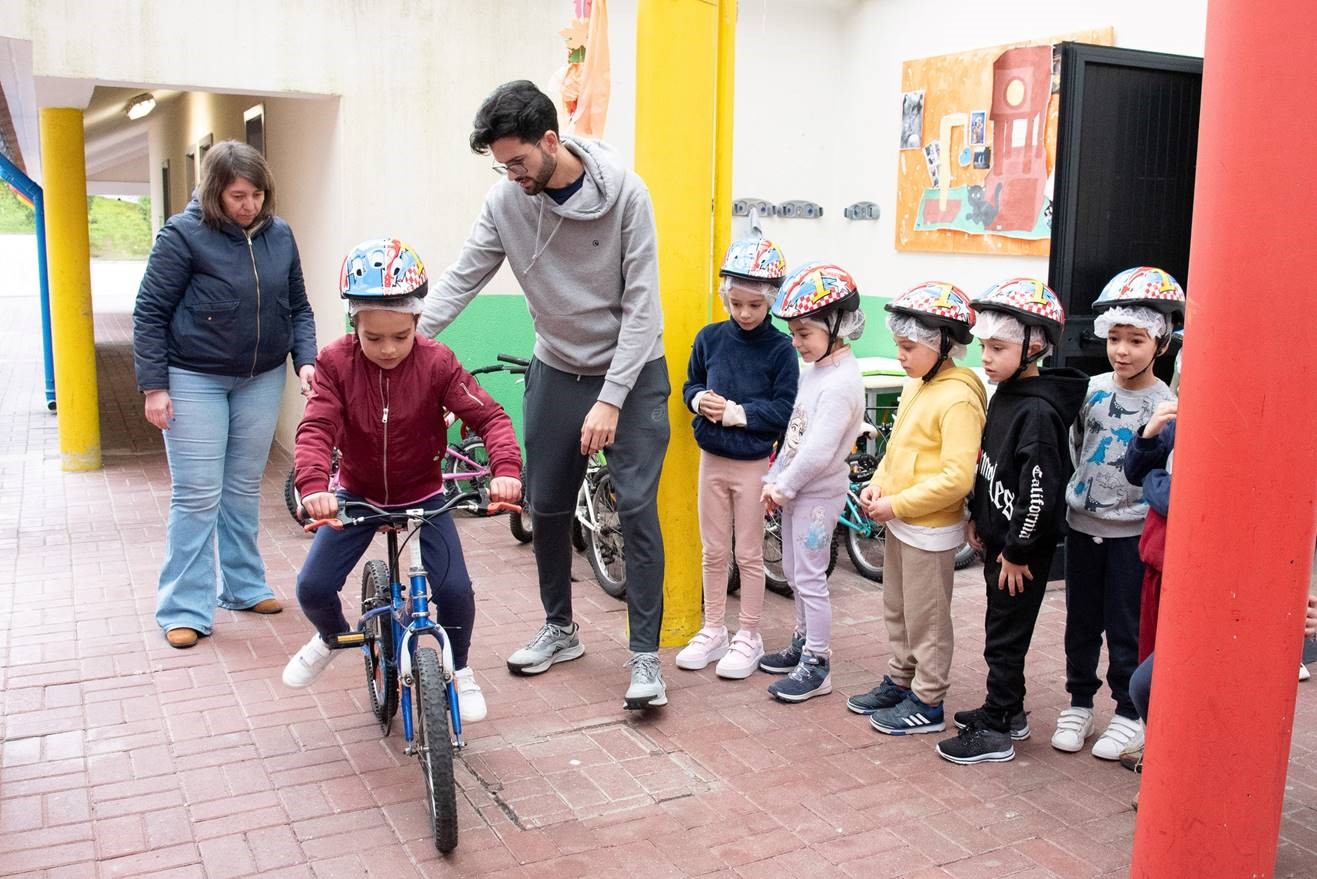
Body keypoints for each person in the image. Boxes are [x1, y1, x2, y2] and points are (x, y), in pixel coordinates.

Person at [416, 80, 670, 709]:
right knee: (547, 505)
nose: (511, 175)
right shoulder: (507, 201)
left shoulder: (626, 196)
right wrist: (402, 341)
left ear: (550, 140)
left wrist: (611, 398)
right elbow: (464, 276)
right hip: (556, 366)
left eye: (518, 161)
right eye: (501, 165)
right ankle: (561, 629)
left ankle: (644, 660)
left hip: (632, 372)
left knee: (635, 507)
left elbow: (643, 308)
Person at [282, 239, 521, 723]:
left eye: (400, 336)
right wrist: (313, 488)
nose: (387, 349)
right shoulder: (333, 363)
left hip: (424, 495)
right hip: (356, 494)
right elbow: (317, 427)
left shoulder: (437, 362)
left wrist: (506, 473)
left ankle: (462, 667)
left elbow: (491, 418)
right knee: (312, 586)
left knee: (454, 591)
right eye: (373, 338)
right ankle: (332, 638)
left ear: (417, 323)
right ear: (354, 324)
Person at [133, 140, 317, 649]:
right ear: (215, 191)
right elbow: (149, 313)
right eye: (238, 195)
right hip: (194, 377)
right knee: (197, 494)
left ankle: (242, 586)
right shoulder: (183, 236)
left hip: (260, 377)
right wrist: (154, 387)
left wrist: (306, 360)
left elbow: (298, 305)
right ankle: (183, 606)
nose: (249, 205)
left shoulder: (279, 235)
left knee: (241, 488)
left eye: (257, 194)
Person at [934, 278, 1088, 764]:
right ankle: (1009, 710)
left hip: (1020, 553)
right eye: (984, 346)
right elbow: (992, 464)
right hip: (1000, 541)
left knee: (1005, 637)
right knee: (998, 629)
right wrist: (978, 516)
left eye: (998, 348)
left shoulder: (1038, 412)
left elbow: (1040, 493)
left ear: (1034, 345)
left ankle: (1000, 727)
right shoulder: (1006, 394)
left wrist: (1018, 551)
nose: (987, 356)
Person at [1053, 267, 1182, 761]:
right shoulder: (1090, 389)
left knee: (1126, 624)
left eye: (1136, 340)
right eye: (1115, 338)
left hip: (1131, 534)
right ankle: (1079, 702)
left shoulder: (1166, 404)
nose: (1122, 350)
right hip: (1084, 527)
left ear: (1160, 344)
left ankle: (1128, 710)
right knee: (1081, 621)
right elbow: (1077, 445)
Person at [851, 283, 986, 735]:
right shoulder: (916, 384)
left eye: (909, 347)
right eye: (898, 345)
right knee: (898, 606)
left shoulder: (959, 398)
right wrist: (876, 484)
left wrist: (897, 503)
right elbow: (898, 447)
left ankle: (928, 701)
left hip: (928, 526)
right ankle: (900, 677)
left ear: (943, 344)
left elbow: (957, 477)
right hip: (900, 518)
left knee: (927, 617)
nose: (901, 356)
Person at [675, 238, 798, 679]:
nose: (744, 313)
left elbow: (786, 408)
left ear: (771, 302)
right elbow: (689, 383)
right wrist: (699, 400)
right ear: (725, 295)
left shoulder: (781, 350)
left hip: (752, 464)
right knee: (712, 551)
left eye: (754, 305)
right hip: (711, 458)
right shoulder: (709, 337)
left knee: (748, 553)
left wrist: (738, 414)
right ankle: (714, 630)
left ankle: (749, 633)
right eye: (736, 303)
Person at [758, 263, 867, 703]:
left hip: (818, 494)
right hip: (796, 491)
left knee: (810, 578)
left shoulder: (841, 381)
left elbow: (820, 452)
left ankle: (817, 663)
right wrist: (775, 477)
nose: (797, 342)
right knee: (794, 571)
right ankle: (802, 643)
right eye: (794, 333)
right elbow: (796, 435)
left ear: (836, 325)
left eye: (804, 332)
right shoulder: (817, 370)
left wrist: (783, 486)